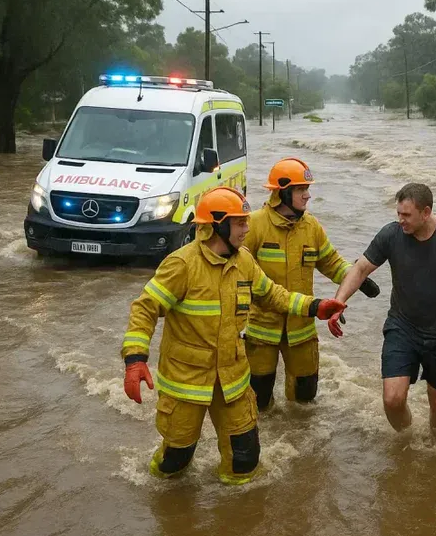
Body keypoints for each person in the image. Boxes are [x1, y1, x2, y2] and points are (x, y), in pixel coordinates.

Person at [120, 187, 346, 485]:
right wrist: (135, 360)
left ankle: (239, 522)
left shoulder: (244, 262)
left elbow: (273, 295)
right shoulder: (182, 265)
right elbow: (145, 308)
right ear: (217, 226)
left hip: (232, 378)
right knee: (176, 460)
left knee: (245, 460)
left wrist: (315, 307)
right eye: (240, 223)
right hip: (186, 382)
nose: (247, 228)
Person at [329, 182, 436, 439]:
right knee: (392, 399)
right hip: (402, 327)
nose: (401, 220)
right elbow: (361, 268)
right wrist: (339, 300)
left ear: (426, 212)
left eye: (407, 215)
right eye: (398, 213)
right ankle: (409, 442)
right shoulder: (390, 235)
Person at [242, 158, 380, 409]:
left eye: (307, 189)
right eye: (301, 190)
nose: (307, 196)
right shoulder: (254, 225)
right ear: (283, 192)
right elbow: (237, 274)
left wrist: (357, 278)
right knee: (257, 404)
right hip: (262, 330)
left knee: (304, 403)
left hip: (302, 329)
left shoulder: (312, 227)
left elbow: (332, 262)